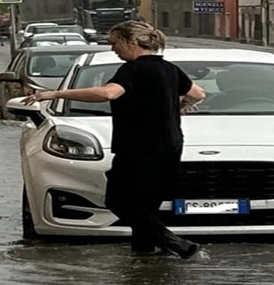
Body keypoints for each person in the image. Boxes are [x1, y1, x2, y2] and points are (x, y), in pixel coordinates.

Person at [23, 21, 207, 258]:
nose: (113, 50)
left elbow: (109, 93)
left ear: (131, 42)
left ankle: (179, 245)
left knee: (119, 202)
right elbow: (198, 94)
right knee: (145, 205)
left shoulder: (133, 69)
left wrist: (57, 93)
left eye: (115, 43)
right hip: (170, 146)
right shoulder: (170, 69)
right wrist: (180, 106)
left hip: (139, 148)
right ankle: (145, 253)